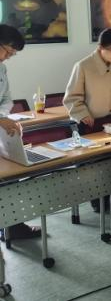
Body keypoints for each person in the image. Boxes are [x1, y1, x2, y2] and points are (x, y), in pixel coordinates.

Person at [0, 25, 41, 241]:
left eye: (12, 54)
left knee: (11, 175)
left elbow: (6, 99)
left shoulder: (2, 69)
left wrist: (4, 118)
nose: (7, 57)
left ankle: (13, 226)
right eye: (7, 51)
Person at [64, 29, 111, 135]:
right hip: (92, 122)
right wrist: (82, 114)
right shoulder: (83, 66)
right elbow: (72, 97)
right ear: (100, 47)